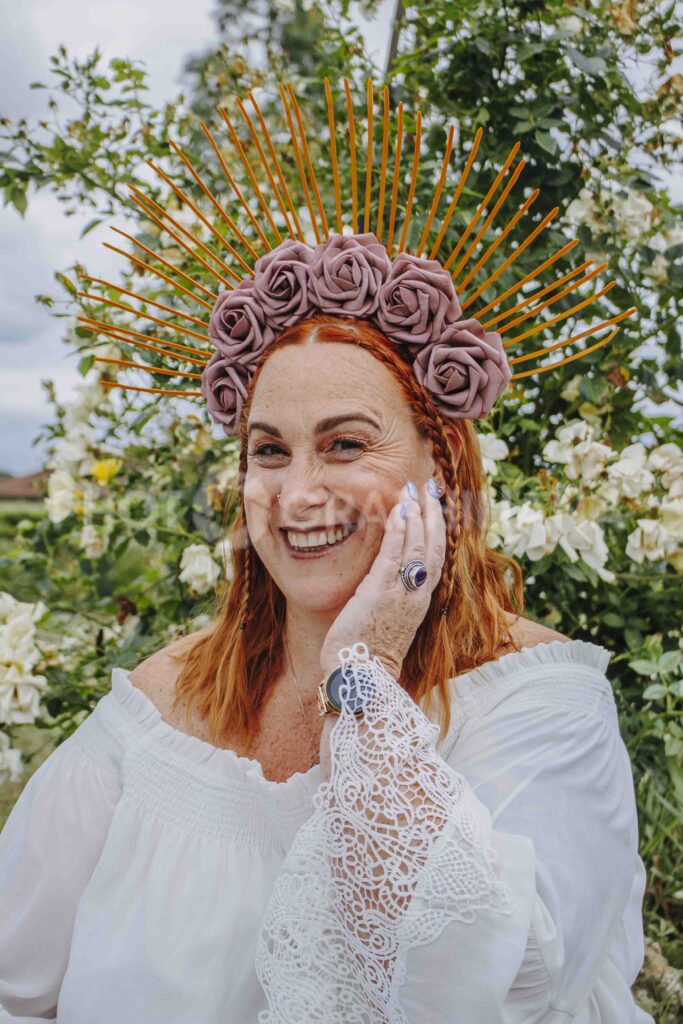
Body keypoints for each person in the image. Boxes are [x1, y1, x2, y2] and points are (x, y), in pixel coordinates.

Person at [0, 78, 650, 1023]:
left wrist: (364, 675)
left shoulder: (541, 709)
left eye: (345, 444)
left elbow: (502, 982)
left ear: (440, 464)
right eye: (269, 451)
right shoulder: (156, 712)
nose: (297, 493)